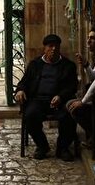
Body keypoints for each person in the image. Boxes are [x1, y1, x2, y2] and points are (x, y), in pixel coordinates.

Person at [14, 33, 78, 161]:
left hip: (59, 101)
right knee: (30, 115)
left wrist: (60, 96)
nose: (53, 49)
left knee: (69, 115)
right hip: (38, 100)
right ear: (45, 48)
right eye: (50, 46)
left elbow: (72, 86)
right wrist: (20, 90)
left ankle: (63, 148)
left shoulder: (68, 65)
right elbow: (24, 82)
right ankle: (42, 146)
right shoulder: (35, 65)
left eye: (56, 46)